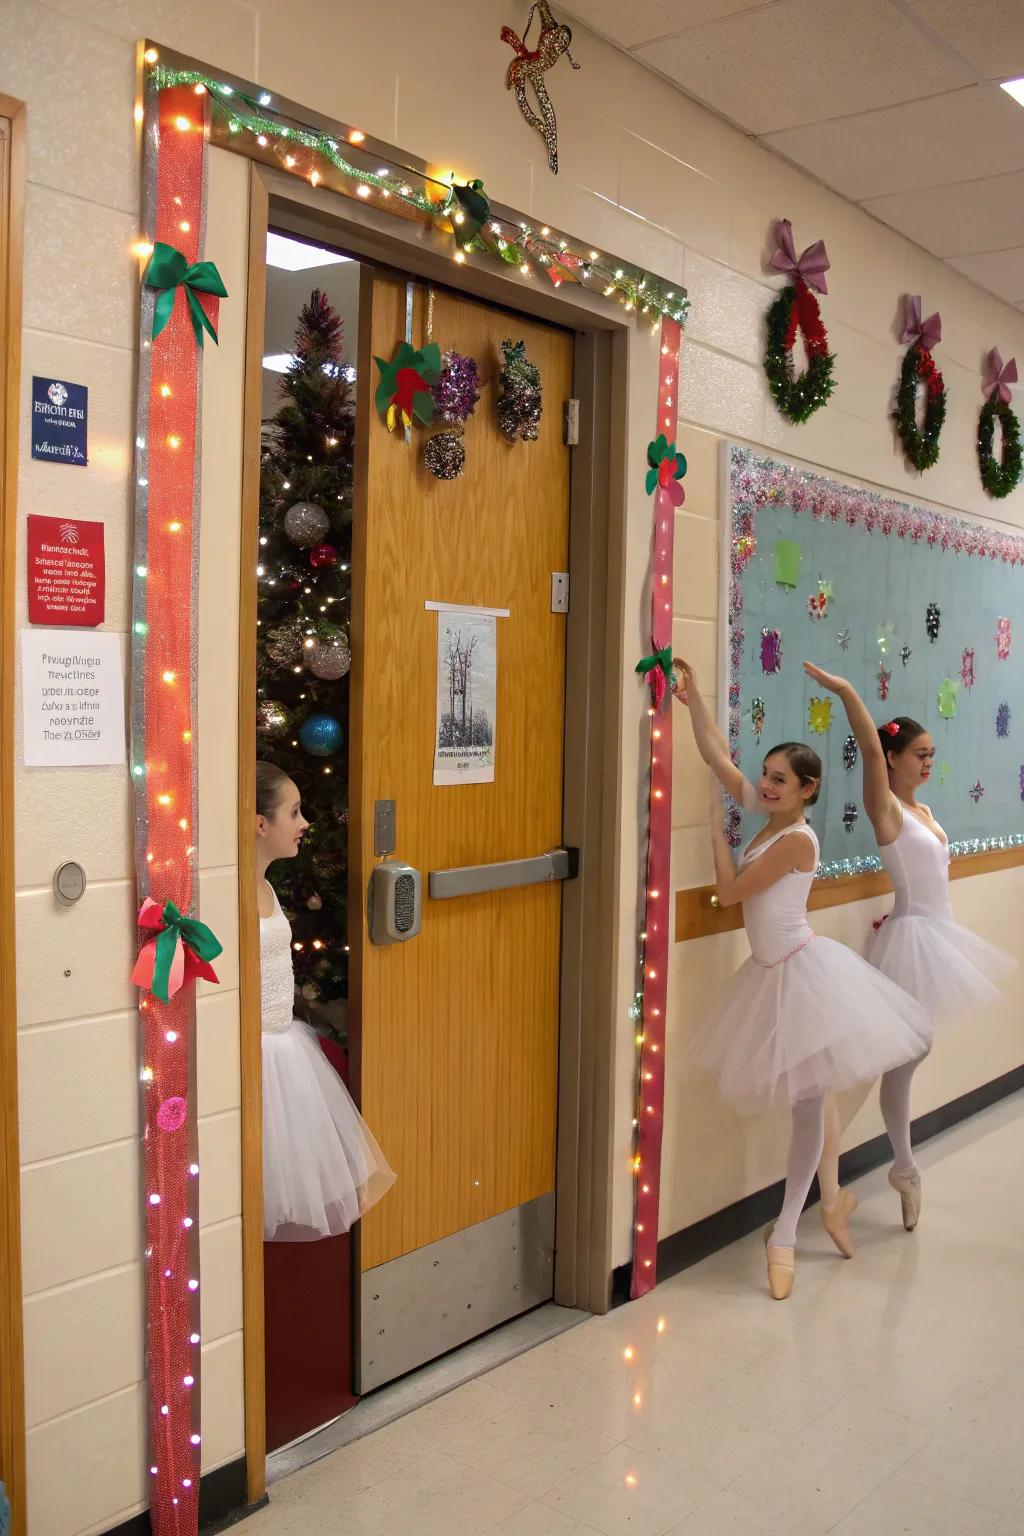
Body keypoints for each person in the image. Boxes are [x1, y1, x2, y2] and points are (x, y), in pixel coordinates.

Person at [672, 661, 930, 1298]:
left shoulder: (799, 841)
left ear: (806, 788)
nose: (763, 784)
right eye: (764, 775)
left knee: (809, 1108)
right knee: (807, 1106)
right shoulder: (766, 817)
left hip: (800, 974)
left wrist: (712, 833)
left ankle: (787, 1229)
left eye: (778, 780)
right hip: (768, 977)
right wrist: (693, 698)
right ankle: (822, 1206)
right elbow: (714, 754)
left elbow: (731, 893)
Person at [804, 664, 1016, 1234]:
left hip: (933, 937)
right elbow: (870, 756)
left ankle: (900, 1166)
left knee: (906, 1060)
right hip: (912, 937)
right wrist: (847, 691)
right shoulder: (889, 809)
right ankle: (884, 1168)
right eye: (918, 753)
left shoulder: (924, 811)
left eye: (931, 753)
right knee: (898, 1057)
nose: (927, 762)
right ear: (893, 758)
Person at [256, 759, 395, 1241]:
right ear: (260, 823)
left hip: (285, 1045)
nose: (305, 824)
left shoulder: (267, 885)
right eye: (293, 813)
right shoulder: (228, 893)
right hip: (259, 1055)